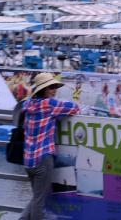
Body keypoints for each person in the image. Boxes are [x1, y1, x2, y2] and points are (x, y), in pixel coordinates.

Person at [20, 72, 80, 220]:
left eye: (55, 87)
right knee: (40, 202)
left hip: (28, 159)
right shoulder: (49, 105)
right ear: (43, 90)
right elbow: (74, 108)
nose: (54, 90)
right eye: (51, 87)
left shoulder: (28, 105)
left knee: (37, 196)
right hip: (43, 158)